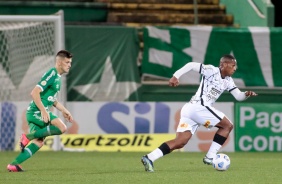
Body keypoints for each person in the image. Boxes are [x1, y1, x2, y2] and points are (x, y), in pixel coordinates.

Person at [141, 54, 257, 172]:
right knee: (228, 125)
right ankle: (210, 156)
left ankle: (149, 157)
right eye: (233, 65)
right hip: (199, 107)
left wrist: (246, 94)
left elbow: (238, 96)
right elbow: (191, 65)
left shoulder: (228, 81)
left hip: (191, 110)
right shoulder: (212, 70)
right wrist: (176, 76)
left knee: (180, 142)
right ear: (224, 65)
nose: (235, 68)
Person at [7, 50, 74, 172]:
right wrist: (43, 111)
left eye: (70, 62)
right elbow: (34, 92)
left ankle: (14, 164)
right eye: (67, 62)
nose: (69, 65)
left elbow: (52, 100)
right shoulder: (52, 73)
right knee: (62, 128)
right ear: (59, 62)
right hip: (36, 112)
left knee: (39, 142)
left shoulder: (57, 78)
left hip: (37, 112)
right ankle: (27, 137)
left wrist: (65, 111)